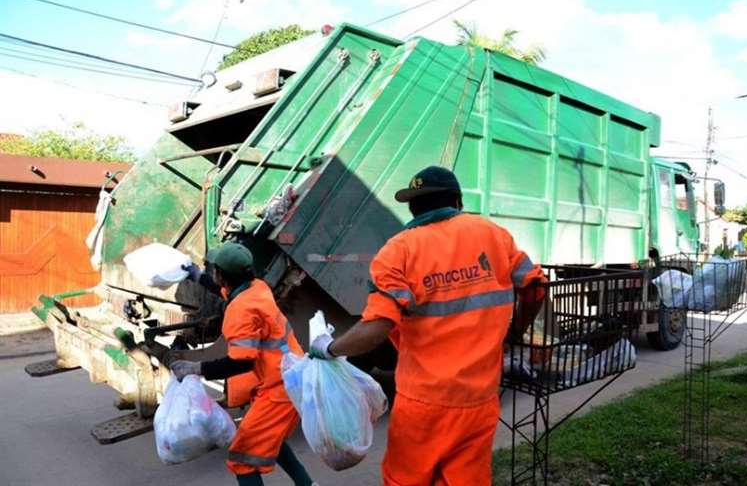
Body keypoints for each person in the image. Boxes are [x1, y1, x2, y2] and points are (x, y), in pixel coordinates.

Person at [309, 166, 547, 486]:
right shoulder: (493, 234)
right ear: (458, 201)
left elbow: (377, 327)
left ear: (413, 208)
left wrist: (328, 348)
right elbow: (535, 288)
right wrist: (515, 330)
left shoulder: (398, 251)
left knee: (406, 479)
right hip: (480, 397)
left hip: (424, 403)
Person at [170, 242, 315, 486]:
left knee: (242, 459)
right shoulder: (258, 288)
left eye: (214, 271)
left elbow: (241, 362)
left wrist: (196, 369)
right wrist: (198, 276)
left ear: (221, 275)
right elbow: (228, 291)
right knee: (272, 442)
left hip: (280, 389)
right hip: (290, 376)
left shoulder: (242, 311)